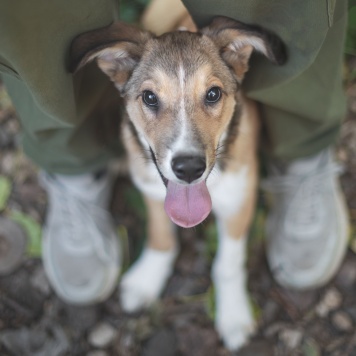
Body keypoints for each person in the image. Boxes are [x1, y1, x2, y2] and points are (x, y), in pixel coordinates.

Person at [0, 0, 349, 304]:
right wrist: (160, 249)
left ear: (239, 59)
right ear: (118, 70)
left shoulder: (229, 64)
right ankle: (89, 176)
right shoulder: (134, 104)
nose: (185, 146)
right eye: (151, 99)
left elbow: (237, 211)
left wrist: (230, 282)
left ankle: (303, 145)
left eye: (211, 95)